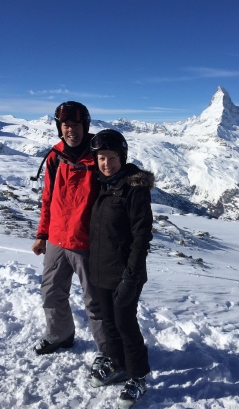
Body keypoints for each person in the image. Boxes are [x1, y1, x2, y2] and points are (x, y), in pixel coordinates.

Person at [31, 101, 106, 365]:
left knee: (96, 302)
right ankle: (60, 335)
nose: (70, 129)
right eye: (65, 125)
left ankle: (108, 352)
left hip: (87, 242)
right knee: (51, 292)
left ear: (85, 126)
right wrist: (42, 234)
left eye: (75, 124)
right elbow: (48, 198)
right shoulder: (55, 156)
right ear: (59, 128)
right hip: (56, 239)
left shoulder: (99, 155)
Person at [88, 129, 154, 407]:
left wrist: (131, 277)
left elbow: (142, 237)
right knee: (109, 323)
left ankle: (138, 376)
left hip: (126, 273)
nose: (106, 163)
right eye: (101, 158)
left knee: (126, 324)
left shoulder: (133, 189)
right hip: (101, 270)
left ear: (122, 157)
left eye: (111, 157)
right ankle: (117, 364)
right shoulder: (102, 184)